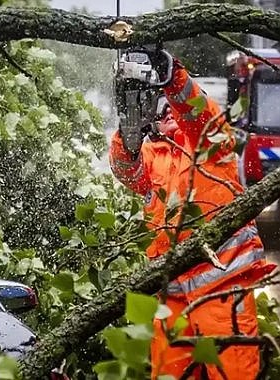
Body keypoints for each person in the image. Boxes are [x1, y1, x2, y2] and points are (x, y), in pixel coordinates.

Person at [109, 50, 277, 379]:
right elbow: (126, 170)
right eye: (162, 108)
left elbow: (199, 113)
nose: (169, 111)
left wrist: (172, 76)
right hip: (171, 300)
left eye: (174, 107)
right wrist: (127, 138)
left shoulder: (213, 143)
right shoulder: (151, 156)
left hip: (222, 294)